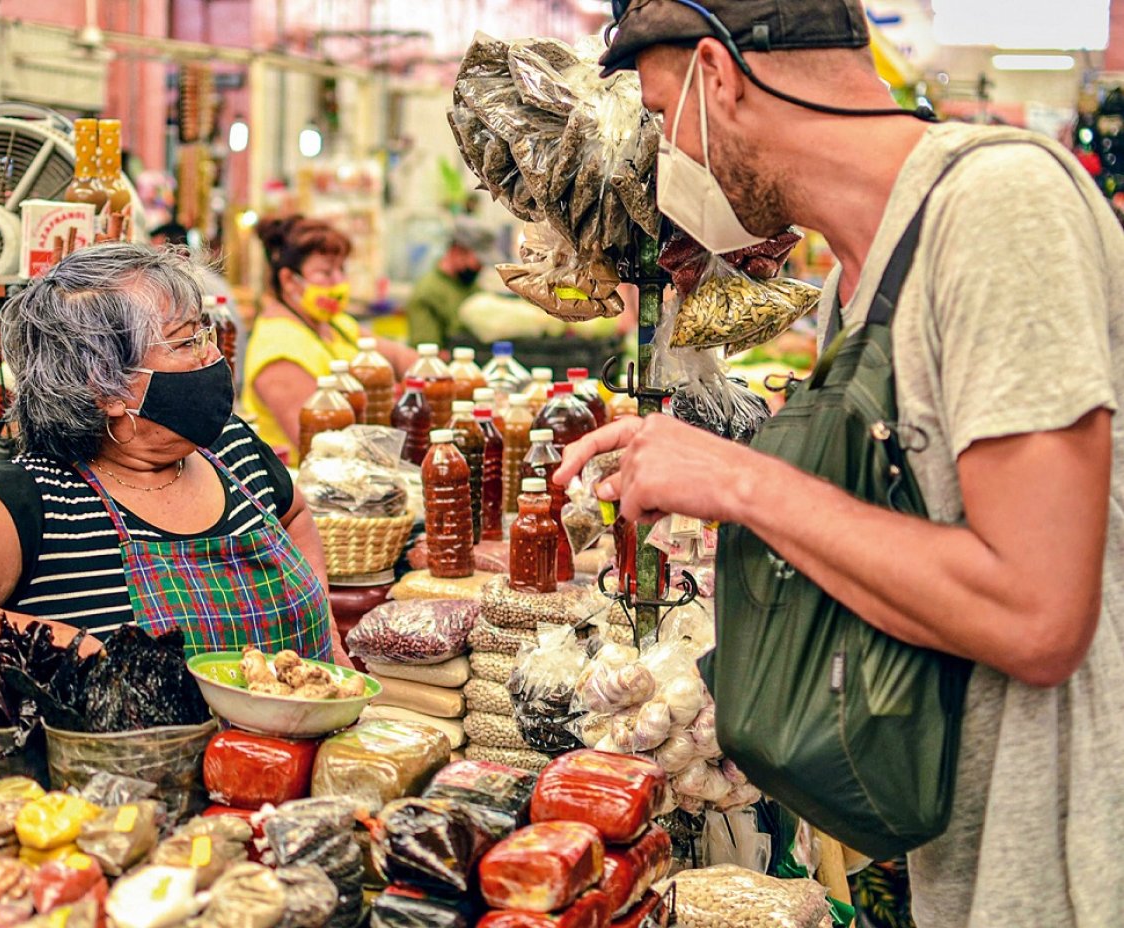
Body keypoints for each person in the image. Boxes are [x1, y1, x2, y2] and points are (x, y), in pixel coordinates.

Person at [559, 2, 1123, 926]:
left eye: (662, 123)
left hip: (1061, 866)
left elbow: (1038, 614)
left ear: (719, 74)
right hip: (955, 856)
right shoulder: (857, 282)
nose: (666, 168)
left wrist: (744, 483)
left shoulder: (996, 209)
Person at [0, 244, 350, 666]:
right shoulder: (30, 500)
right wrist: (67, 648)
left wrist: (320, 624)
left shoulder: (232, 447)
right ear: (107, 389)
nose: (212, 355)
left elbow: (295, 514)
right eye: (186, 341)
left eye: (204, 334)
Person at [245, 215, 415, 461]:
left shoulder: (334, 324)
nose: (339, 282)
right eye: (325, 273)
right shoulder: (277, 348)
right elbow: (321, 445)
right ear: (289, 280)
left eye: (341, 269)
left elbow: (399, 357)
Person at [404, 218, 496, 348]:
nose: (480, 268)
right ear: (458, 252)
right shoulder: (428, 292)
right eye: (478, 261)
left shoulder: (471, 286)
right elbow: (427, 352)